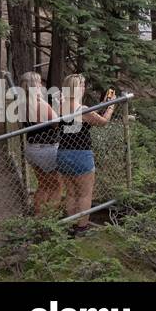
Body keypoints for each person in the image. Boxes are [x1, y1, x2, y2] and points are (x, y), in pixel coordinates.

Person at [57, 75, 116, 235]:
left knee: (70, 193)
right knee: (84, 193)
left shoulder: (61, 106)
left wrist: (103, 104)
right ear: (76, 88)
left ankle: (70, 226)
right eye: (82, 85)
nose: (84, 88)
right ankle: (82, 228)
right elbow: (102, 122)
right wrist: (111, 107)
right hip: (81, 155)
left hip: (63, 154)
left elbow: (85, 118)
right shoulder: (82, 109)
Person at [18, 72, 62, 216]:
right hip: (47, 150)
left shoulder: (22, 104)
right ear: (32, 86)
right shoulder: (40, 104)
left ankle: (39, 217)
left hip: (32, 149)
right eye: (38, 83)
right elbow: (57, 124)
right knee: (56, 186)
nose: (41, 86)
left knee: (43, 185)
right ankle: (51, 220)